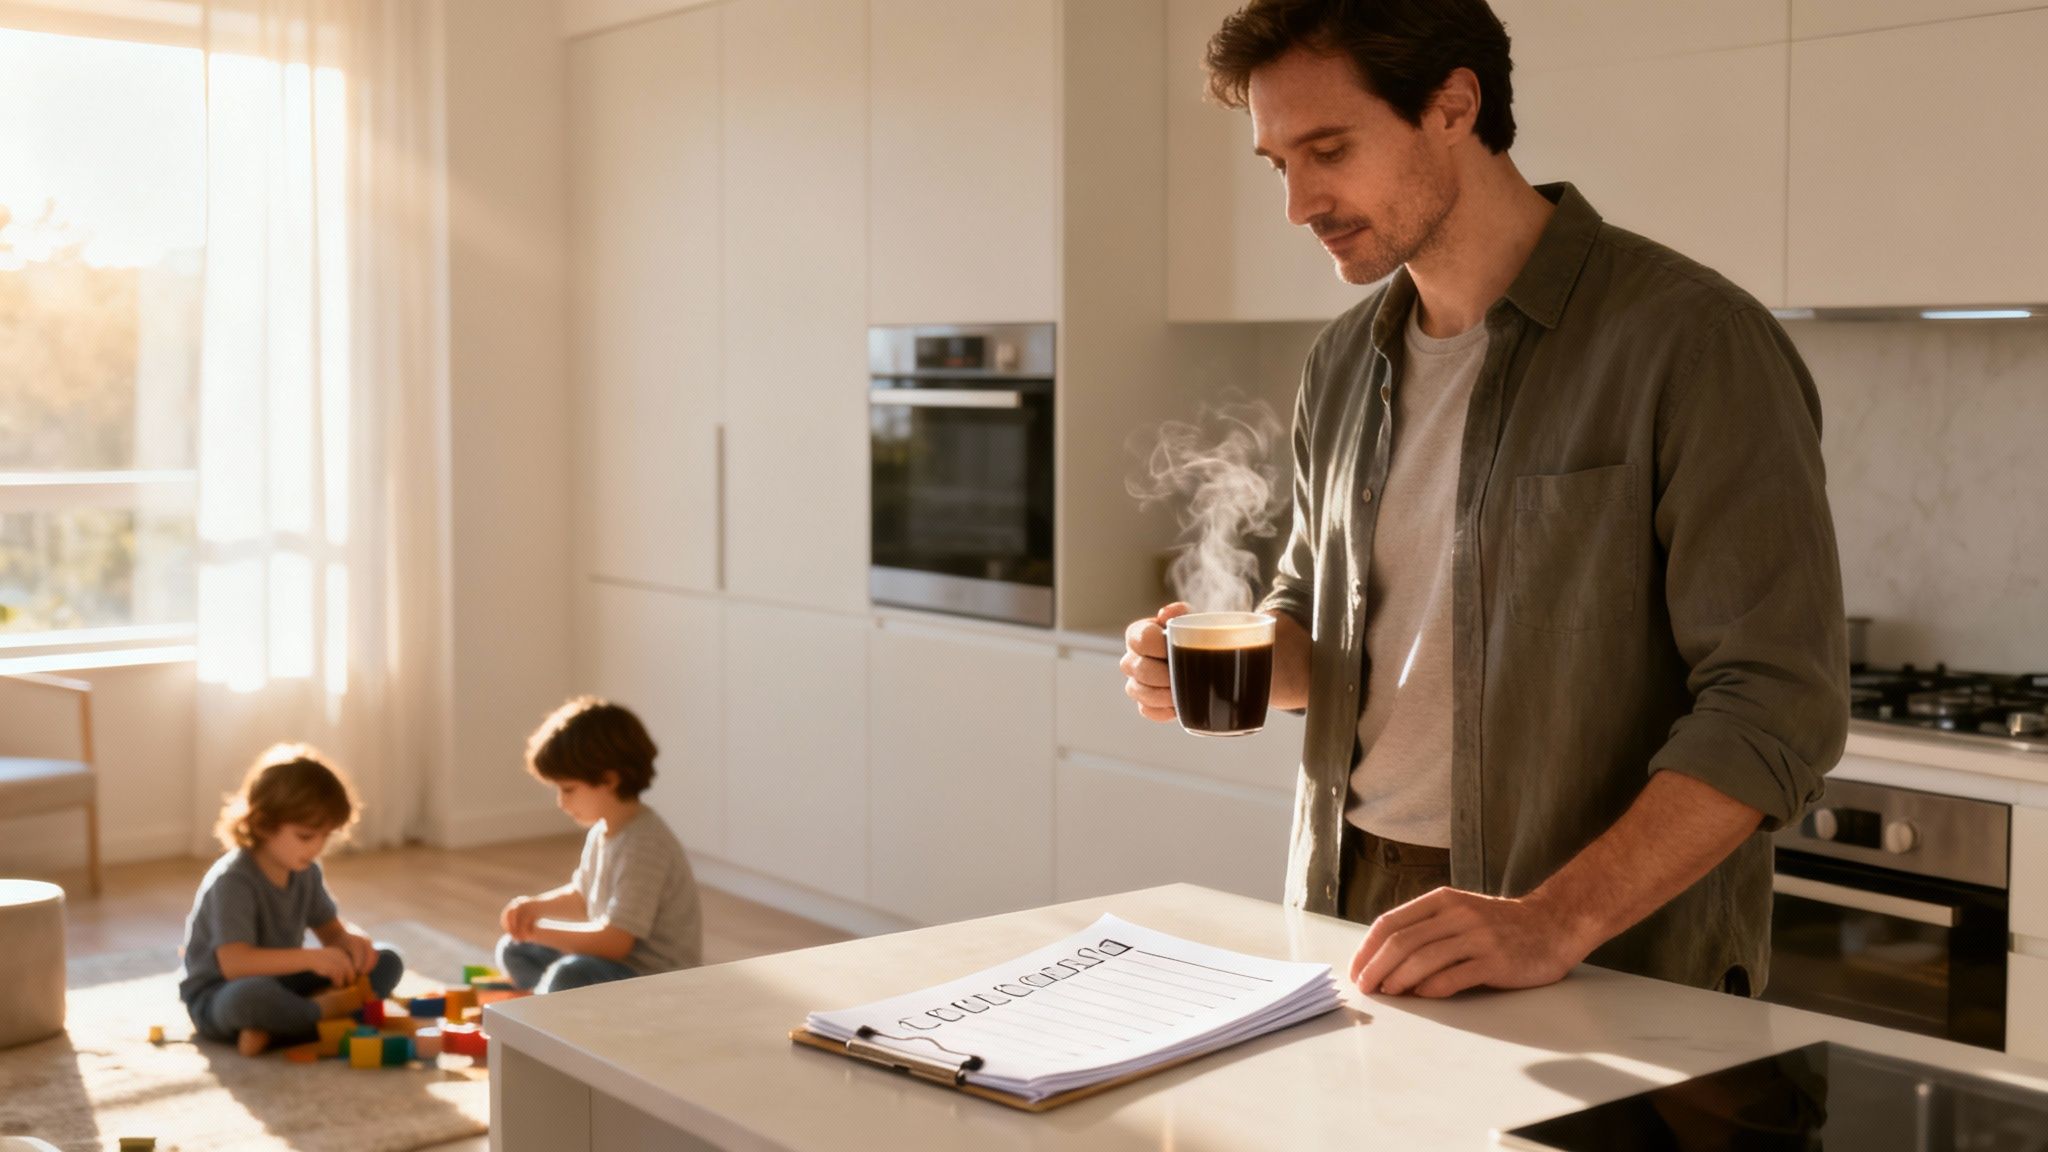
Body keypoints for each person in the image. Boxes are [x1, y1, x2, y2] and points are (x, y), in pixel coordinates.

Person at [1122, 0, 1848, 1000]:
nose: (1297, 203)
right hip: (1345, 911)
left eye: (1327, 149)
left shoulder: (1687, 341)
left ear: (1453, 106)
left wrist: (1551, 921)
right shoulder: (1340, 362)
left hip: (1595, 944)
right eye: (1276, 164)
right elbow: (1316, 630)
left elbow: (1775, 707)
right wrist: (1241, 659)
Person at [180, 745, 403, 1055]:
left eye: (326, 836)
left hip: (283, 982)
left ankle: (282, 1027)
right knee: (251, 998)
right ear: (262, 824)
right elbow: (235, 964)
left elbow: (332, 933)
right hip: (220, 994)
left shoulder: (305, 871)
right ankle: (324, 1015)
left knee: (387, 960)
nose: (316, 848)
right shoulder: (233, 881)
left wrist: (352, 942)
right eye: (306, 836)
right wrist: (314, 958)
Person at [497, 697, 703, 993]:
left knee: (570, 974)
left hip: (655, 981)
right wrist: (534, 908)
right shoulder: (604, 830)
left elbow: (615, 943)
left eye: (568, 789)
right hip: (611, 966)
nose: (561, 802)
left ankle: (546, 1007)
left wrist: (541, 931)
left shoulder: (644, 845)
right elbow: (584, 897)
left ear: (609, 780)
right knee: (516, 949)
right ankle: (550, 1001)